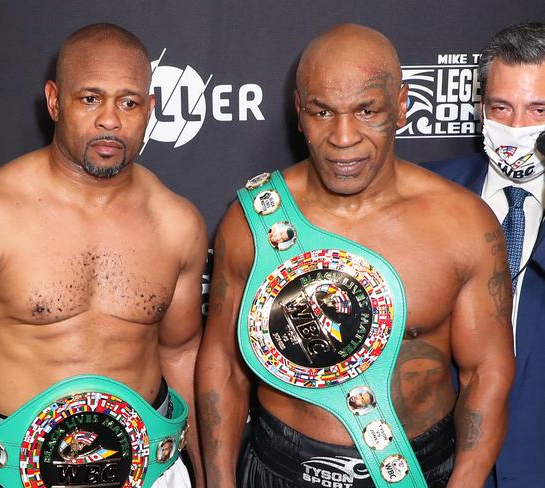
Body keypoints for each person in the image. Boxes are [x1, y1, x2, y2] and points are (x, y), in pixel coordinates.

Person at [197, 24, 515, 488]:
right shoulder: (250, 221)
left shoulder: (463, 222)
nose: (343, 137)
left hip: (416, 469)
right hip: (278, 468)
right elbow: (221, 364)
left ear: (402, 104)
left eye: (367, 110)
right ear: (299, 111)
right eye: (323, 112)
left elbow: (487, 372)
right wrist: (220, 482)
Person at [0, 23, 207, 488]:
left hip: (152, 472)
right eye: (90, 99)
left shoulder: (177, 222)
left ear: (150, 109)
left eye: (129, 102)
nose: (110, 120)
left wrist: (204, 473)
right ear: (54, 100)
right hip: (10, 474)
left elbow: (181, 353)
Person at [423, 22, 545, 488]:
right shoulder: (426, 196)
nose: (517, 128)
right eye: (502, 108)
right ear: (479, 108)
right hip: (439, 465)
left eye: (538, 110)